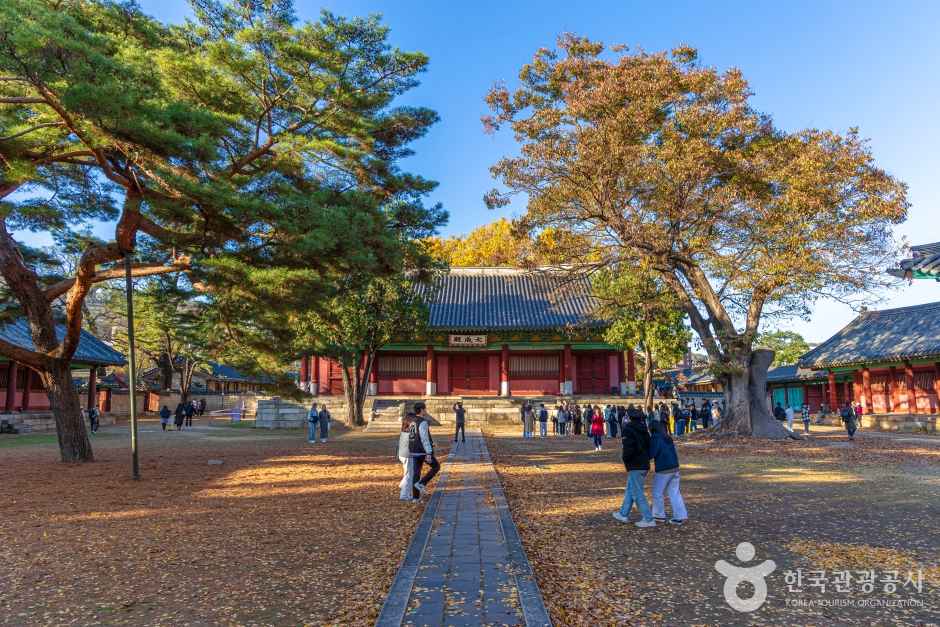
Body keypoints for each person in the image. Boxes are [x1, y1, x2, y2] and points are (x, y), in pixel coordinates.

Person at [613, 408, 655, 527]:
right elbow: (649, 446)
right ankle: (623, 513)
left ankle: (648, 518)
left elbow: (628, 448)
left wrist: (625, 459)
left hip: (635, 464)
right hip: (643, 464)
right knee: (631, 489)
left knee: (637, 493)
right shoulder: (644, 430)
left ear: (629, 418)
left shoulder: (628, 430)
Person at [649, 420, 688, 525]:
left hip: (664, 469)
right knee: (674, 493)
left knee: (657, 493)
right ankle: (681, 515)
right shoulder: (667, 437)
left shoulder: (655, 438)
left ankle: (658, 516)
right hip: (674, 467)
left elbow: (651, 454)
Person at [411, 402, 440, 498]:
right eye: (425, 409)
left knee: (416, 473)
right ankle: (422, 483)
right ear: (422, 410)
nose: (426, 411)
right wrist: (429, 452)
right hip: (422, 451)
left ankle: (415, 497)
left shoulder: (412, 420)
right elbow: (424, 438)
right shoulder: (423, 422)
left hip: (414, 450)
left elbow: (411, 436)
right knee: (436, 466)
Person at [398, 413, 417, 501]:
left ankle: (403, 487)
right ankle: (404, 495)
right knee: (409, 475)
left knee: (408, 473)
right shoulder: (412, 427)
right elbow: (413, 442)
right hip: (407, 454)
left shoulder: (404, 428)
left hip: (402, 454)